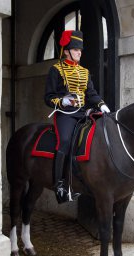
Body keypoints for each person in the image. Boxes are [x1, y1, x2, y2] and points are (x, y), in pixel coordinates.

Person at [44, 30, 111, 204]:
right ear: (66, 51)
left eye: (80, 50)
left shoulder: (84, 72)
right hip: (65, 114)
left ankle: (85, 180)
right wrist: (62, 101)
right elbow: (48, 97)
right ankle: (59, 185)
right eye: (75, 50)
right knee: (65, 141)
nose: (79, 53)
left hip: (83, 113)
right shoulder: (56, 70)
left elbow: (91, 94)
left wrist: (102, 105)